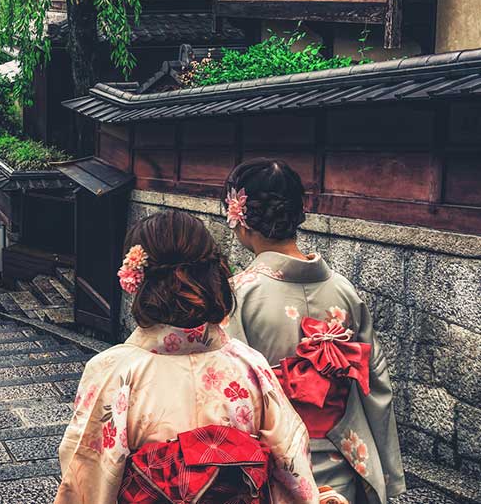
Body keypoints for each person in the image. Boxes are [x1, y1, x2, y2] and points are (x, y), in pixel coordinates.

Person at [55, 210, 320, 504]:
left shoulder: (114, 372)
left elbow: (88, 475)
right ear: (212, 274)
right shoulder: (250, 365)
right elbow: (291, 462)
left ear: (138, 279)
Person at [222, 158, 405, 504]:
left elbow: (231, 396)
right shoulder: (345, 291)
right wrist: (387, 475)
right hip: (344, 462)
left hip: (272, 469)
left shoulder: (238, 295)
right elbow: (377, 387)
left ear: (241, 218)